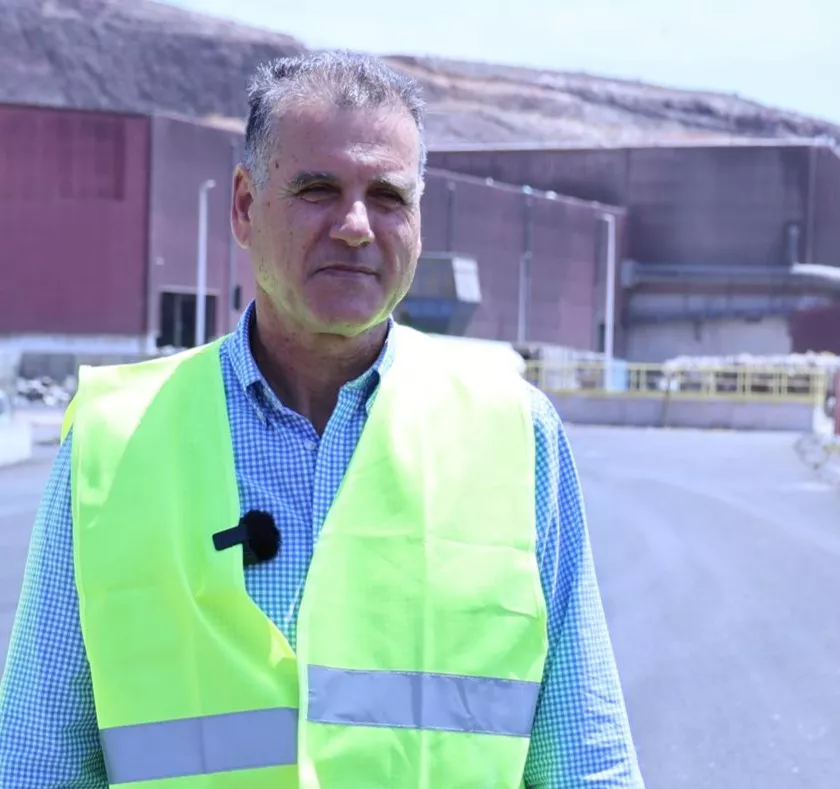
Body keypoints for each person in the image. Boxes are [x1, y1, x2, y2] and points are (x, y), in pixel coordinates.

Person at [0, 50, 644, 788]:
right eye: (317, 189)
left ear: (419, 222)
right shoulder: (111, 445)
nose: (356, 226)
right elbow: (37, 761)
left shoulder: (513, 432)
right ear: (244, 206)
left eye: (389, 197)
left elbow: (586, 762)